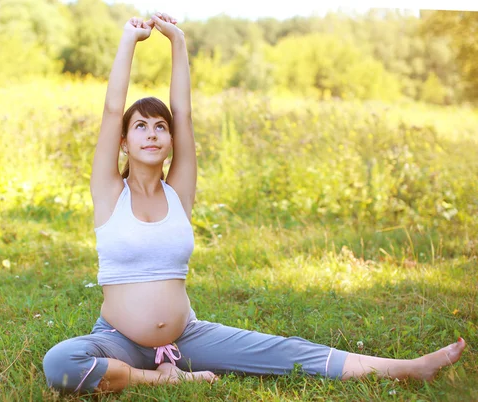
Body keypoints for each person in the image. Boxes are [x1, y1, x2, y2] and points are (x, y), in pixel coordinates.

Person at [42, 12, 466, 396]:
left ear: (170, 142)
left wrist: (179, 43)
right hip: (118, 340)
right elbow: (111, 108)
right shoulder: (109, 193)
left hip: (187, 336)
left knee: (286, 351)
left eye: (159, 127)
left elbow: (184, 114)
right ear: (123, 140)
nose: (152, 133)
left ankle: (407, 368)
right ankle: (162, 377)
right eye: (140, 127)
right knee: (60, 363)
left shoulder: (179, 192)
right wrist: (128, 42)